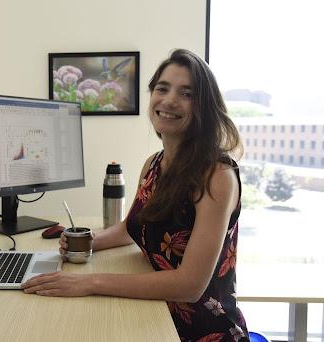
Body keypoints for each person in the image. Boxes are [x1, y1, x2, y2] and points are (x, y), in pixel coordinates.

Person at [22, 49, 249, 341]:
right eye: (162, 88)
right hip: (156, 315)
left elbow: (190, 285)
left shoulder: (216, 176)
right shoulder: (154, 164)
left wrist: (91, 283)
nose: (168, 100)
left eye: (186, 93)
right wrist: (84, 243)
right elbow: (129, 229)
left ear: (205, 107)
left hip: (201, 329)